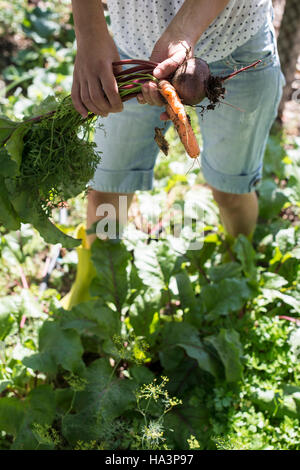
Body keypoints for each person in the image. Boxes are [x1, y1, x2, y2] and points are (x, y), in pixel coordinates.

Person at [61, 0, 285, 310]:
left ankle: (235, 269)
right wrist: (89, 33)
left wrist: (181, 33)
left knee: (231, 191)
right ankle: (92, 292)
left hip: (237, 43)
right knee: (106, 191)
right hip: (131, 47)